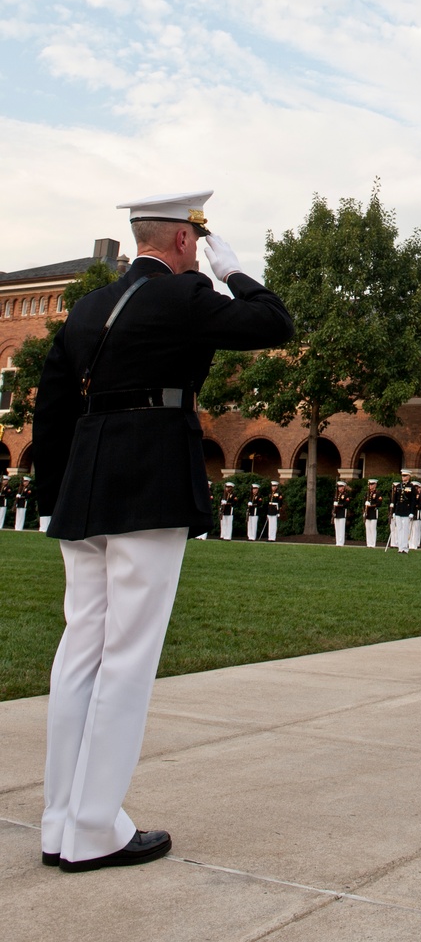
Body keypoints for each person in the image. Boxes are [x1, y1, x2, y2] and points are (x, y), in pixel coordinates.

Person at [31, 188, 293, 872]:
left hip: (84, 488)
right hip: (147, 480)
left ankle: (59, 818)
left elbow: (54, 404)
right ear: (185, 241)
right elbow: (273, 322)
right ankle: (95, 826)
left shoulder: (87, 306)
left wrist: (56, 497)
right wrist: (233, 273)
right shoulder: (181, 297)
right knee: (128, 655)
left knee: (80, 650)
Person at [392, 471, 416, 554]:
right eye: (402, 476)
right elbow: (395, 500)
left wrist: (412, 512)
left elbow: (413, 500)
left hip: (406, 510)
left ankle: (405, 548)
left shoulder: (411, 487)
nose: (403, 477)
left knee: (405, 530)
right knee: (399, 529)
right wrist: (394, 511)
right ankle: (400, 547)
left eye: (405, 476)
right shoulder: (399, 486)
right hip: (399, 510)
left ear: (409, 477)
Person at [331, 481, 350, 546]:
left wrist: (338, 505)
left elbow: (346, 504)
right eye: (339, 487)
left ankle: (341, 542)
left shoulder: (345, 495)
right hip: (336, 513)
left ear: (343, 487)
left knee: (341, 528)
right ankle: (337, 542)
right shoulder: (337, 495)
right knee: (337, 528)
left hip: (342, 512)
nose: (339, 488)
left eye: (340, 487)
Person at [362, 479, 381, 548]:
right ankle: (368, 543)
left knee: (372, 528)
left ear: (375, 485)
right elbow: (363, 504)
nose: (370, 486)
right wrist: (364, 511)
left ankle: (373, 543)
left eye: (372, 484)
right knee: (368, 528)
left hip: (373, 512)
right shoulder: (367, 494)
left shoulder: (377, 493)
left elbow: (379, 503)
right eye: (370, 484)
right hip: (368, 513)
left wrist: (371, 505)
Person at [409, 480, 421, 549]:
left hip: (416, 514)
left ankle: (414, 544)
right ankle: (410, 543)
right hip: (410, 514)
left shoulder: (420, 496)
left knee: (415, 530)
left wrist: (415, 506)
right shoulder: (410, 496)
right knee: (410, 530)